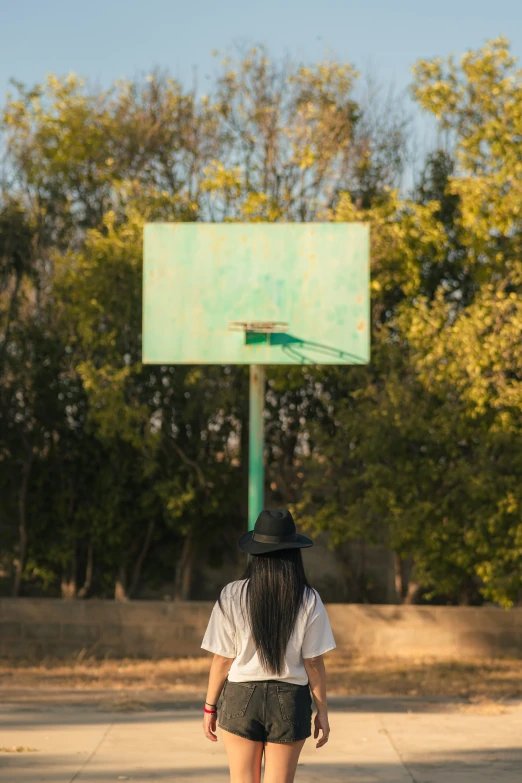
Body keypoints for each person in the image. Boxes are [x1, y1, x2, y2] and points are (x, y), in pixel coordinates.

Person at [200, 508, 336, 783]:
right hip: (289, 699)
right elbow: (312, 662)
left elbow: (222, 659)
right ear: (294, 551)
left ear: (255, 551)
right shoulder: (308, 598)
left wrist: (209, 707)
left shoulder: (232, 594)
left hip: (240, 697)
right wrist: (322, 712)